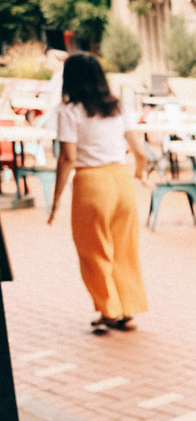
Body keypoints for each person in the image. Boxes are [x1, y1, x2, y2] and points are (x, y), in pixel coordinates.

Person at [48, 53, 150, 335]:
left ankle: (109, 310)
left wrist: (56, 200)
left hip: (91, 183)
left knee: (94, 251)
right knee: (124, 249)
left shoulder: (69, 111)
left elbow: (67, 157)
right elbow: (139, 151)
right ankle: (127, 310)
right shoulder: (118, 107)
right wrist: (140, 173)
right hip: (121, 180)